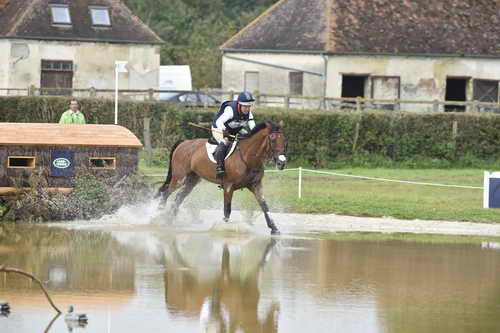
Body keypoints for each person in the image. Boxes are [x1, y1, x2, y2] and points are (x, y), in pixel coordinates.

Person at [211, 91, 256, 179]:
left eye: (249, 106)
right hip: (219, 128)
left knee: (247, 137)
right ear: (239, 104)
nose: (247, 109)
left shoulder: (249, 113)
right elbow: (219, 122)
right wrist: (224, 131)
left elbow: (253, 128)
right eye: (245, 106)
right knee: (225, 142)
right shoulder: (230, 110)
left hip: (235, 129)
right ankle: (219, 168)